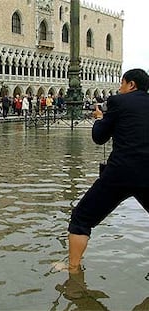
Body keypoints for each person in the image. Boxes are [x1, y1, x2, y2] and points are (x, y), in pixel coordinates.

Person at [67, 68, 149, 273]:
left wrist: (99, 118)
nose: (119, 88)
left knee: (81, 218)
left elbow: (99, 137)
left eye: (122, 83)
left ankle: (73, 271)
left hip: (120, 173)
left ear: (131, 85)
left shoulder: (118, 102)